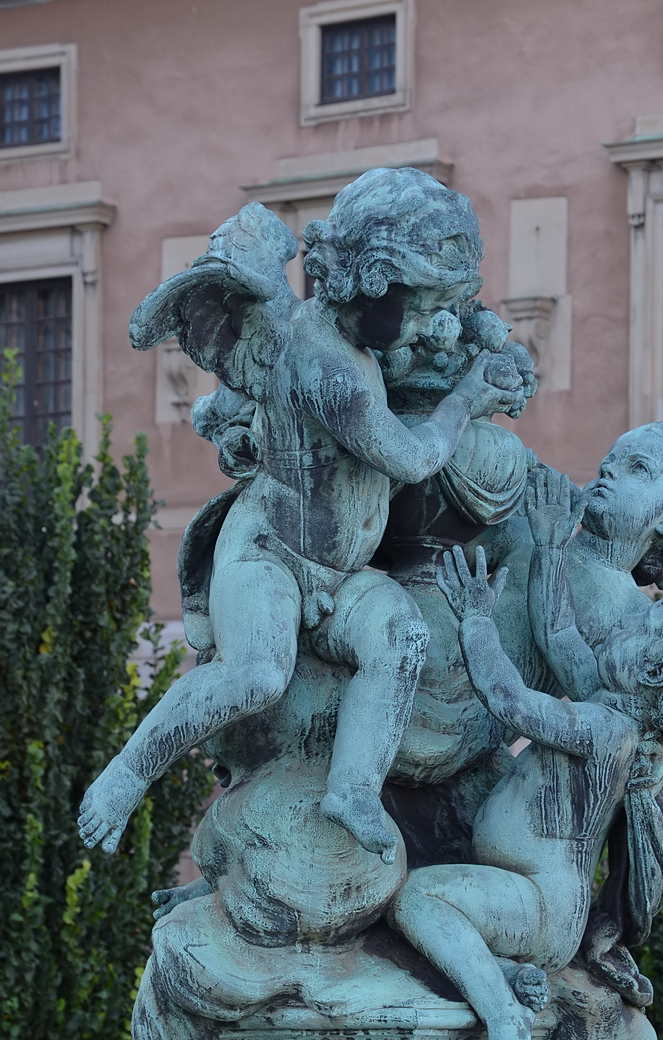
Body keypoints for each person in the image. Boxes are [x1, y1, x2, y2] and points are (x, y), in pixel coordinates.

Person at [78, 168, 525, 864]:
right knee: (258, 674)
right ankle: (128, 772)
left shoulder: (360, 338)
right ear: (374, 286)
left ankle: (352, 789)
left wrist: (477, 336)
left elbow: (435, 339)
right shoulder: (329, 369)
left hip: (341, 573)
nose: (428, 327)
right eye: (420, 307)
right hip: (270, 555)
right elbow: (410, 458)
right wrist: (469, 395)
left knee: (401, 637)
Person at [388, 488, 663, 1040]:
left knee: (422, 901)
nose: (640, 615)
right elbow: (558, 634)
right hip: (539, 899)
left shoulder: (606, 729)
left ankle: (503, 1014)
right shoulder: (613, 710)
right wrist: (554, 548)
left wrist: (476, 619)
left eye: (654, 622)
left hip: (540, 905)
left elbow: (509, 700)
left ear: (653, 671)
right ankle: (504, 974)